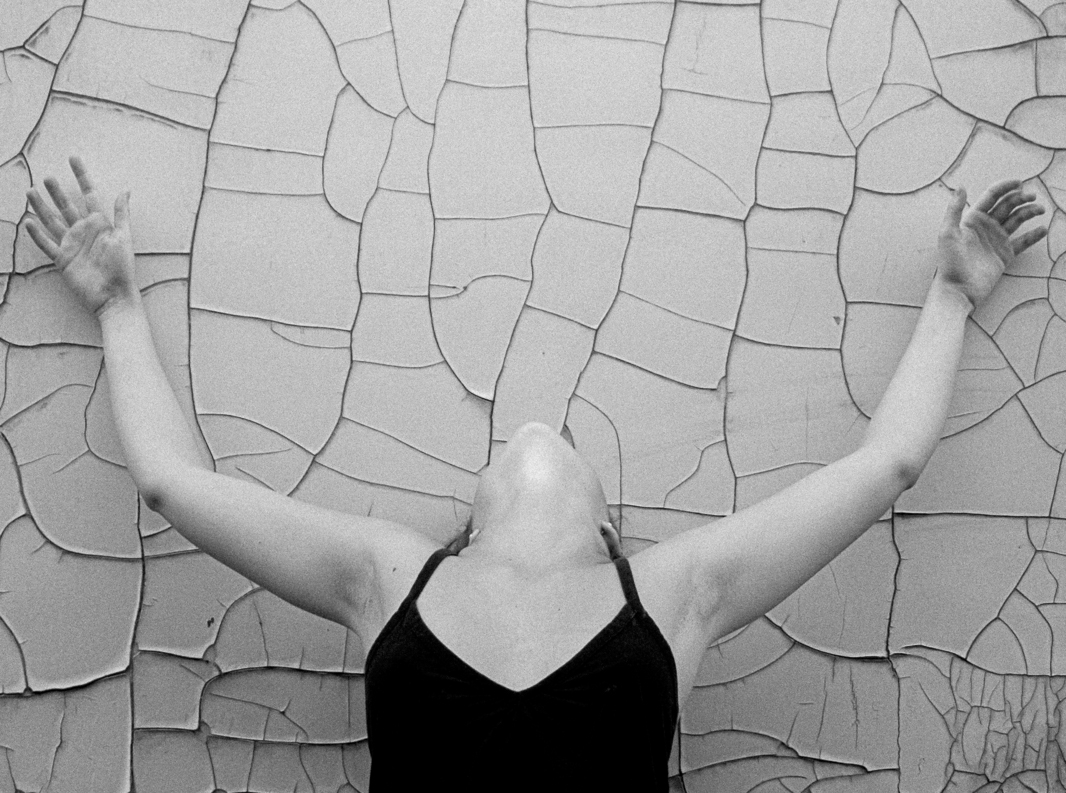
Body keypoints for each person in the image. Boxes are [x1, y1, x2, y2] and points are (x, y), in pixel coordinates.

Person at [25, 158, 1047, 791]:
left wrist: (953, 295)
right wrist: (116, 303)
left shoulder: (675, 592)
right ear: (465, 530)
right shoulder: (386, 576)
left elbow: (886, 464)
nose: (533, 431)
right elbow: (169, 481)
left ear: (609, 531)